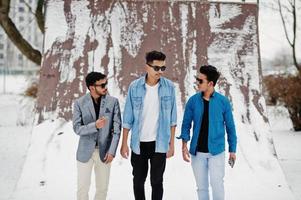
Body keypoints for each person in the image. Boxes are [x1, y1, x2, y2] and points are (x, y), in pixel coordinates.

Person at [120, 50, 177, 200]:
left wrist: (172, 145)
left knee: (157, 182)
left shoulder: (169, 87)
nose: (160, 72)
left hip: (160, 143)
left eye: (163, 68)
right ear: (147, 66)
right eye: (156, 68)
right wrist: (124, 143)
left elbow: (173, 119)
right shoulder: (135, 87)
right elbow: (127, 118)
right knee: (138, 181)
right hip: (138, 143)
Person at [178, 65, 237, 200]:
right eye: (197, 79)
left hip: (217, 152)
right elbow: (186, 124)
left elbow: (230, 128)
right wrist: (184, 145)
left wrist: (232, 150)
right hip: (197, 153)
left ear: (210, 83)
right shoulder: (193, 101)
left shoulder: (223, 102)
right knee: (202, 188)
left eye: (200, 80)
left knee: (217, 185)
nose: (197, 83)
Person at [72, 72, 121, 200]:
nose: (106, 87)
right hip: (84, 152)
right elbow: (77, 129)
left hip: (104, 152)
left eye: (106, 83)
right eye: (102, 85)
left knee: (102, 189)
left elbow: (117, 130)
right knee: (82, 189)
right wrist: (95, 126)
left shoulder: (113, 102)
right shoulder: (79, 103)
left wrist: (112, 151)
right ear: (92, 87)